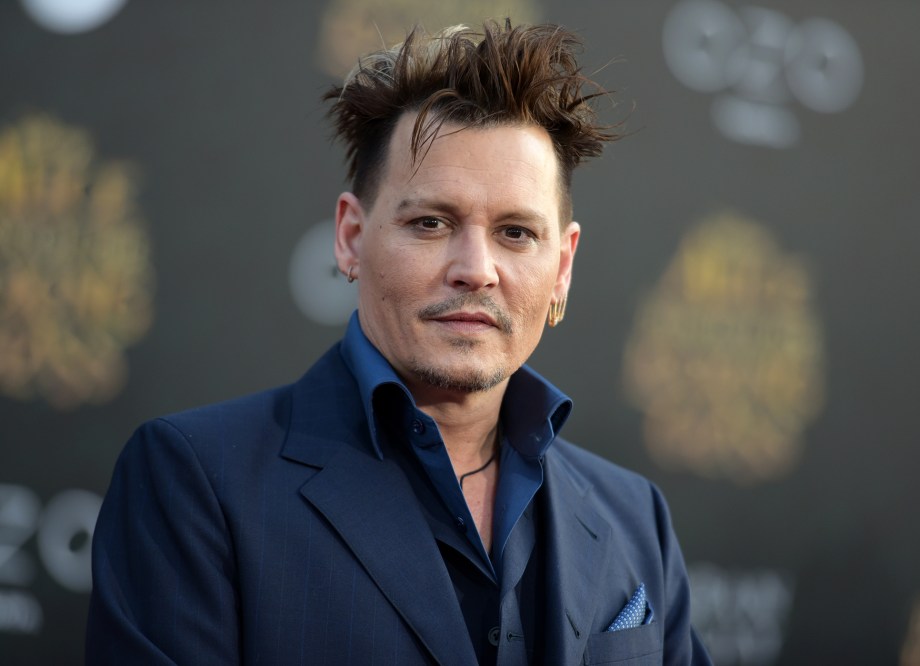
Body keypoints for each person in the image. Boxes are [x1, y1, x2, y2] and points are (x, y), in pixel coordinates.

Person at [86, 20, 711, 666]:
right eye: (432, 223)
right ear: (352, 237)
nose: (476, 268)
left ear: (564, 266)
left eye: (517, 233)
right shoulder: (197, 483)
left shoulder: (636, 519)